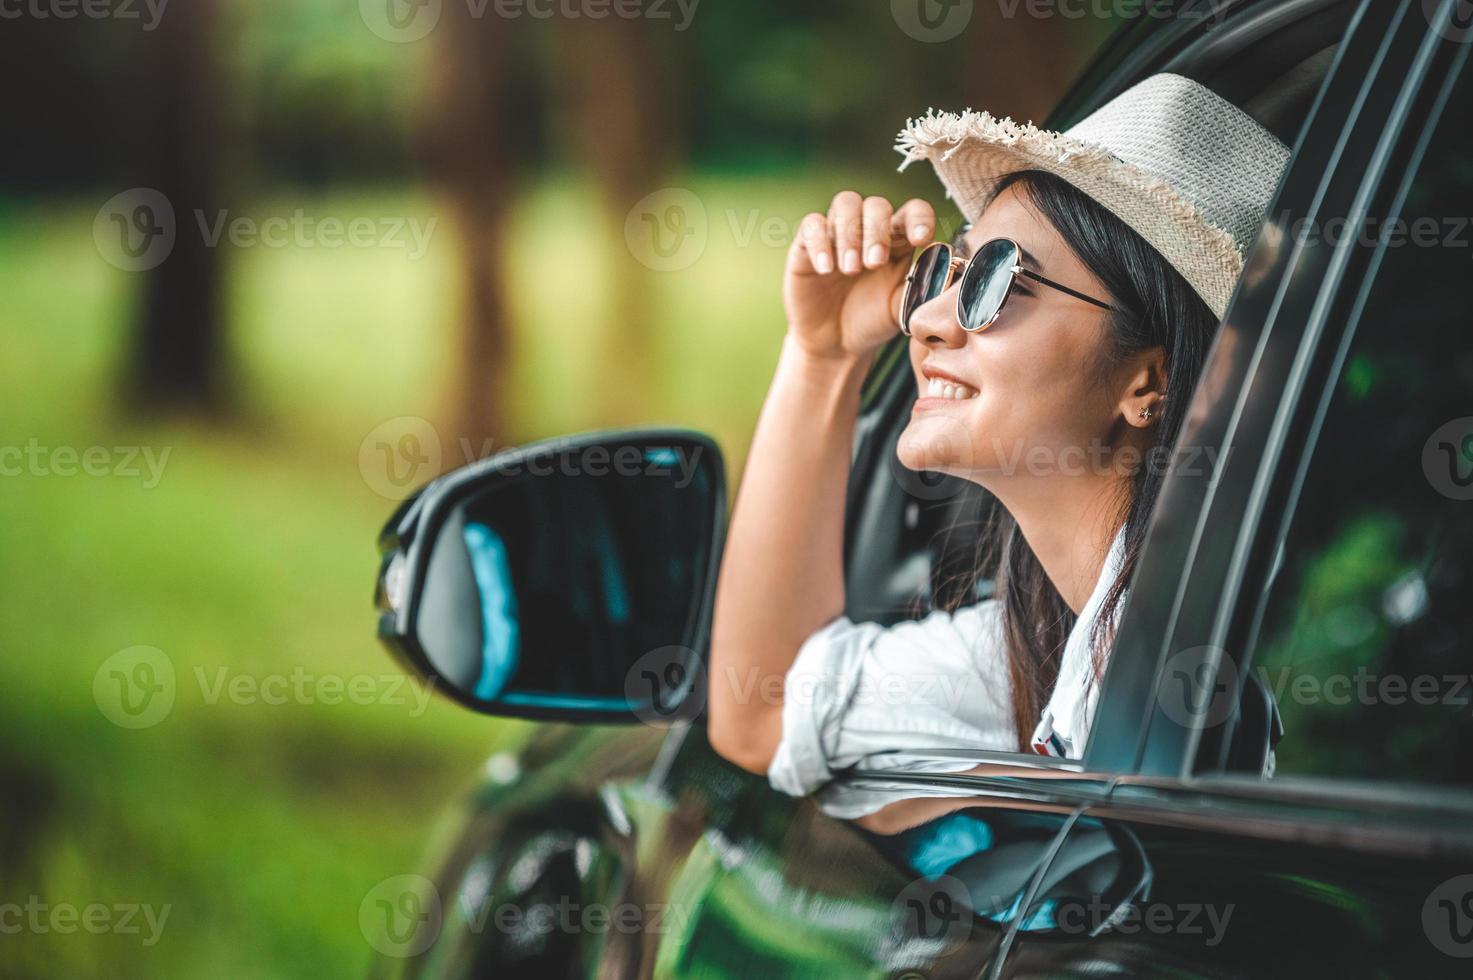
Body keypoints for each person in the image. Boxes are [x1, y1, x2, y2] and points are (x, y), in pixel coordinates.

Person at [705, 73, 1290, 819]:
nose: (923, 323)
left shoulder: (1218, 661)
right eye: (946, 273)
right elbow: (765, 713)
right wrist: (822, 356)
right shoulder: (1043, 641)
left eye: (997, 280)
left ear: (1151, 382)